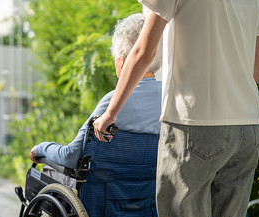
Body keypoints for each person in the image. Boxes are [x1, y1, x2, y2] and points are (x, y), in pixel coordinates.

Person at [93, 1, 259, 217]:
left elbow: (142, 52)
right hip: (247, 127)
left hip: (194, 123)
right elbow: (258, 67)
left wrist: (110, 113)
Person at [29, 12, 162, 179]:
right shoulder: (169, 98)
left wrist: (41, 148)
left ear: (122, 60)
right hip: (150, 196)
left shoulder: (113, 103)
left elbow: (71, 156)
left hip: (104, 197)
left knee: (42, 178)